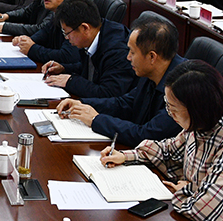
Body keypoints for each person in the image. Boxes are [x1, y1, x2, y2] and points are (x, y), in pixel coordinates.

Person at [100, 60, 223, 221]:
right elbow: (168, 150)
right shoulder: (199, 125)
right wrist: (126, 156)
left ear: (197, 109)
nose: (169, 114)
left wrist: (189, 191)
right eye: (167, 106)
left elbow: (204, 212)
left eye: (173, 108)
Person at [56, 13, 183, 146]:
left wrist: (95, 119)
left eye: (132, 52)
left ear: (152, 57)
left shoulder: (181, 90)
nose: (128, 57)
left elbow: (147, 135)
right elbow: (126, 103)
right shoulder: (153, 70)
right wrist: (82, 104)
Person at [42, 0, 136, 98]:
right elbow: (92, 68)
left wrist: (71, 82)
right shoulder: (97, 33)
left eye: (67, 33)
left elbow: (108, 93)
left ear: (85, 28)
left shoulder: (117, 51)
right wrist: (64, 68)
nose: (66, 38)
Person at [13, 0, 80, 65]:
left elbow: (68, 56)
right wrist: (24, 40)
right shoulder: (57, 14)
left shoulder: (76, 16)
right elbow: (43, 34)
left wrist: (32, 49)